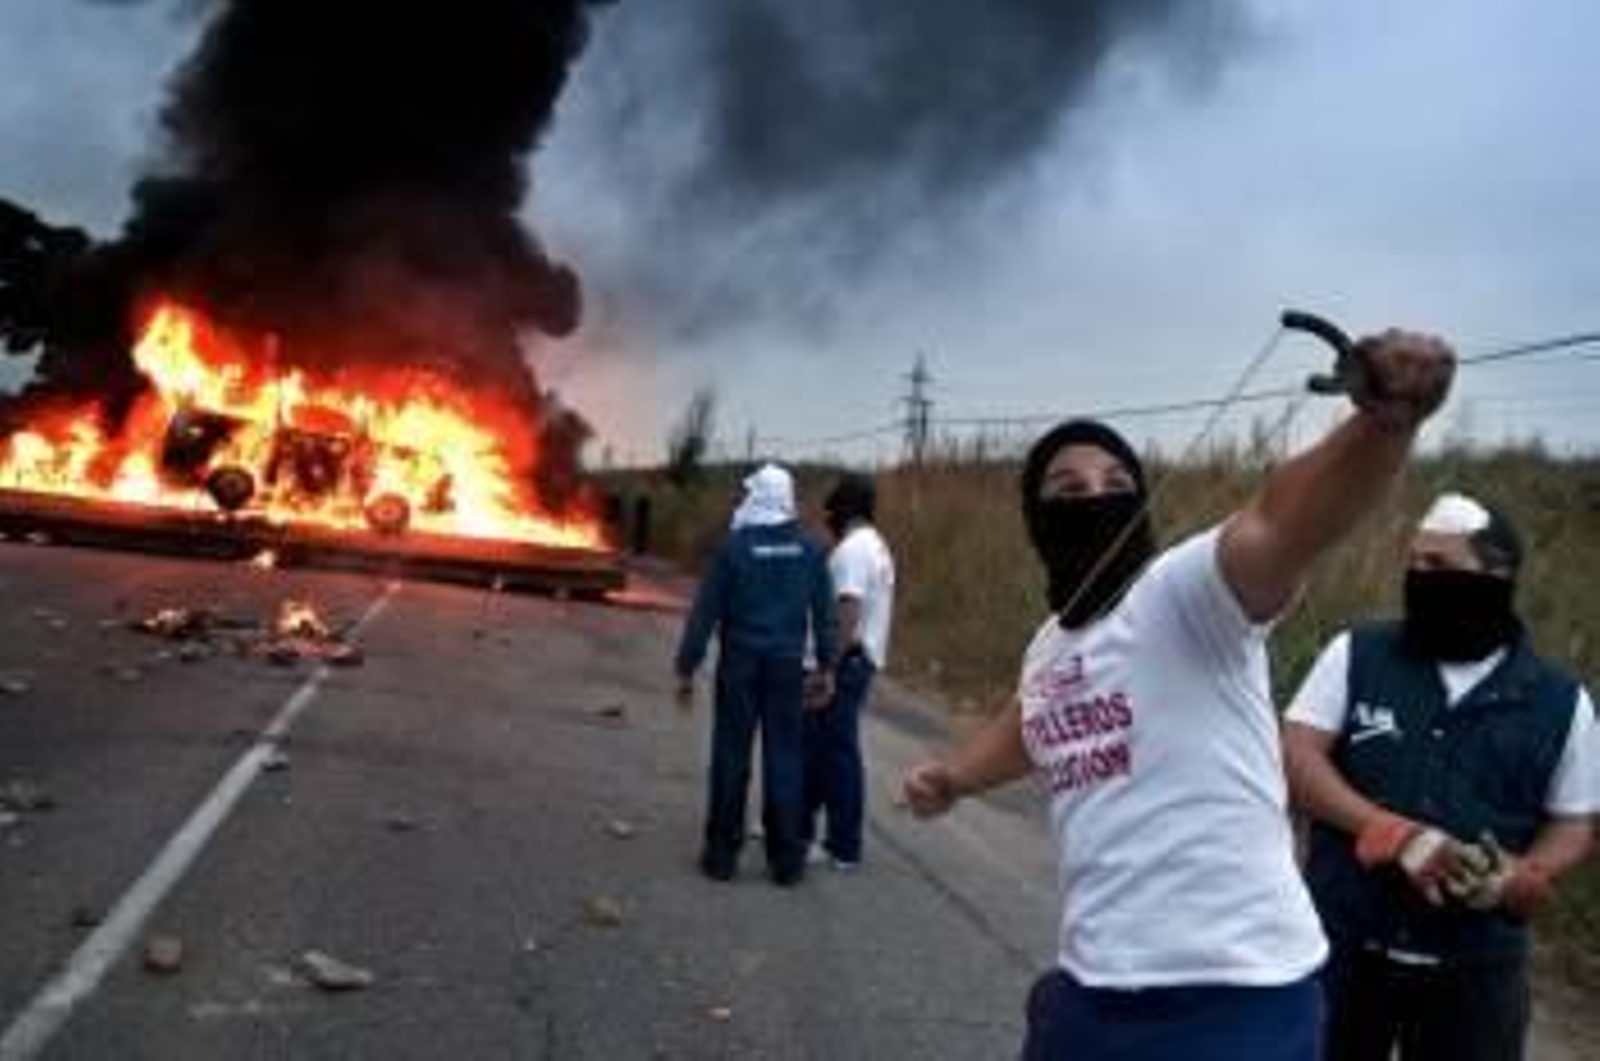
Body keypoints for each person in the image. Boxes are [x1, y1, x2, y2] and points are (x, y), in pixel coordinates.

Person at [900, 328, 1457, 1059]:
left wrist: (1383, 423)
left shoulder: (1188, 592)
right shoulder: (1050, 644)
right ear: (1038, 520)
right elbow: (1033, 722)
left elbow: (1283, 522)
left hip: (1236, 998)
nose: (1095, 498)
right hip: (1088, 988)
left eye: (1116, 484)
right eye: (1067, 489)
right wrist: (954, 778)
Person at [1283, 491, 1597, 1061]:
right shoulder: (1357, 654)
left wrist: (1523, 873)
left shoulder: (1561, 701)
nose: (1419, 576)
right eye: (1414, 562)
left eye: (1439, 565)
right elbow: (1297, 756)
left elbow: (1573, 821)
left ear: (1498, 574)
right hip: (1344, 949)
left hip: (1476, 976)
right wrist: (1392, 833)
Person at [675, 463, 838, 886]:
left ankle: (721, 857)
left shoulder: (733, 548)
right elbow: (825, 615)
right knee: (785, 759)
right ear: (787, 499)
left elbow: (705, 613)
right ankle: (786, 862)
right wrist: (825, 666)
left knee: (731, 756)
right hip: (787, 668)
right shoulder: (811, 549)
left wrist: (686, 667)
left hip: (740, 665)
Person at [802, 472, 896, 870]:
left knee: (837, 755)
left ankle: (843, 846)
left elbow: (848, 610)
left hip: (847, 661)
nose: (829, 517)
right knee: (824, 750)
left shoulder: (853, 551)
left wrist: (827, 667)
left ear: (845, 509)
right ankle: (795, 822)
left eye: (833, 509)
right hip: (860, 660)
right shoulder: (876, 546)